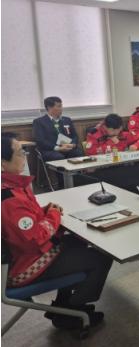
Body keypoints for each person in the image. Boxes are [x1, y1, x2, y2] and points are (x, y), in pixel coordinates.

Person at [1, 134, 112, 330]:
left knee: (78, 242)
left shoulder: (14, 185)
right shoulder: (8, 197)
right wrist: (53, 215)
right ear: (2, 162)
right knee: (101, 257)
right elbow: (33, 239)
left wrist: (45, 211)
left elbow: (26, 220)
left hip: (25, 255)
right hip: (23, 266)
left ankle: (63, 305)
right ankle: (71, 312)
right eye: (20, 152)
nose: (24, 156)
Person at [32, 96, 83, 161]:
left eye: (61, 106)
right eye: (59, 106)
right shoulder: (39, 122)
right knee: (58, 157)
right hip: (50, 150)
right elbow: (40, 140)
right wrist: (57, 148)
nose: (61, 108)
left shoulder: (67, 120)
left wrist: (72, 144)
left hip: (67, 147)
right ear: (49, 107)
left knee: (78, 153)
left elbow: (75, 136)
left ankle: (77, 168)